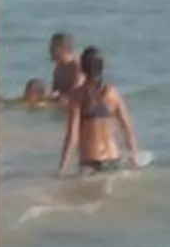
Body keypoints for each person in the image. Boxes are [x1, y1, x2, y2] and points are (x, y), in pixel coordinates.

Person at [57, 46, 143, 174]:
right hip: (113, 159)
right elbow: (126, 128)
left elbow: (72, 135)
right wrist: (135, 156)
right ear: (102, 68)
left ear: (82, 68)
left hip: (90, 161)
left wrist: (62, 167)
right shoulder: (113, 93)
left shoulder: (78, 95)